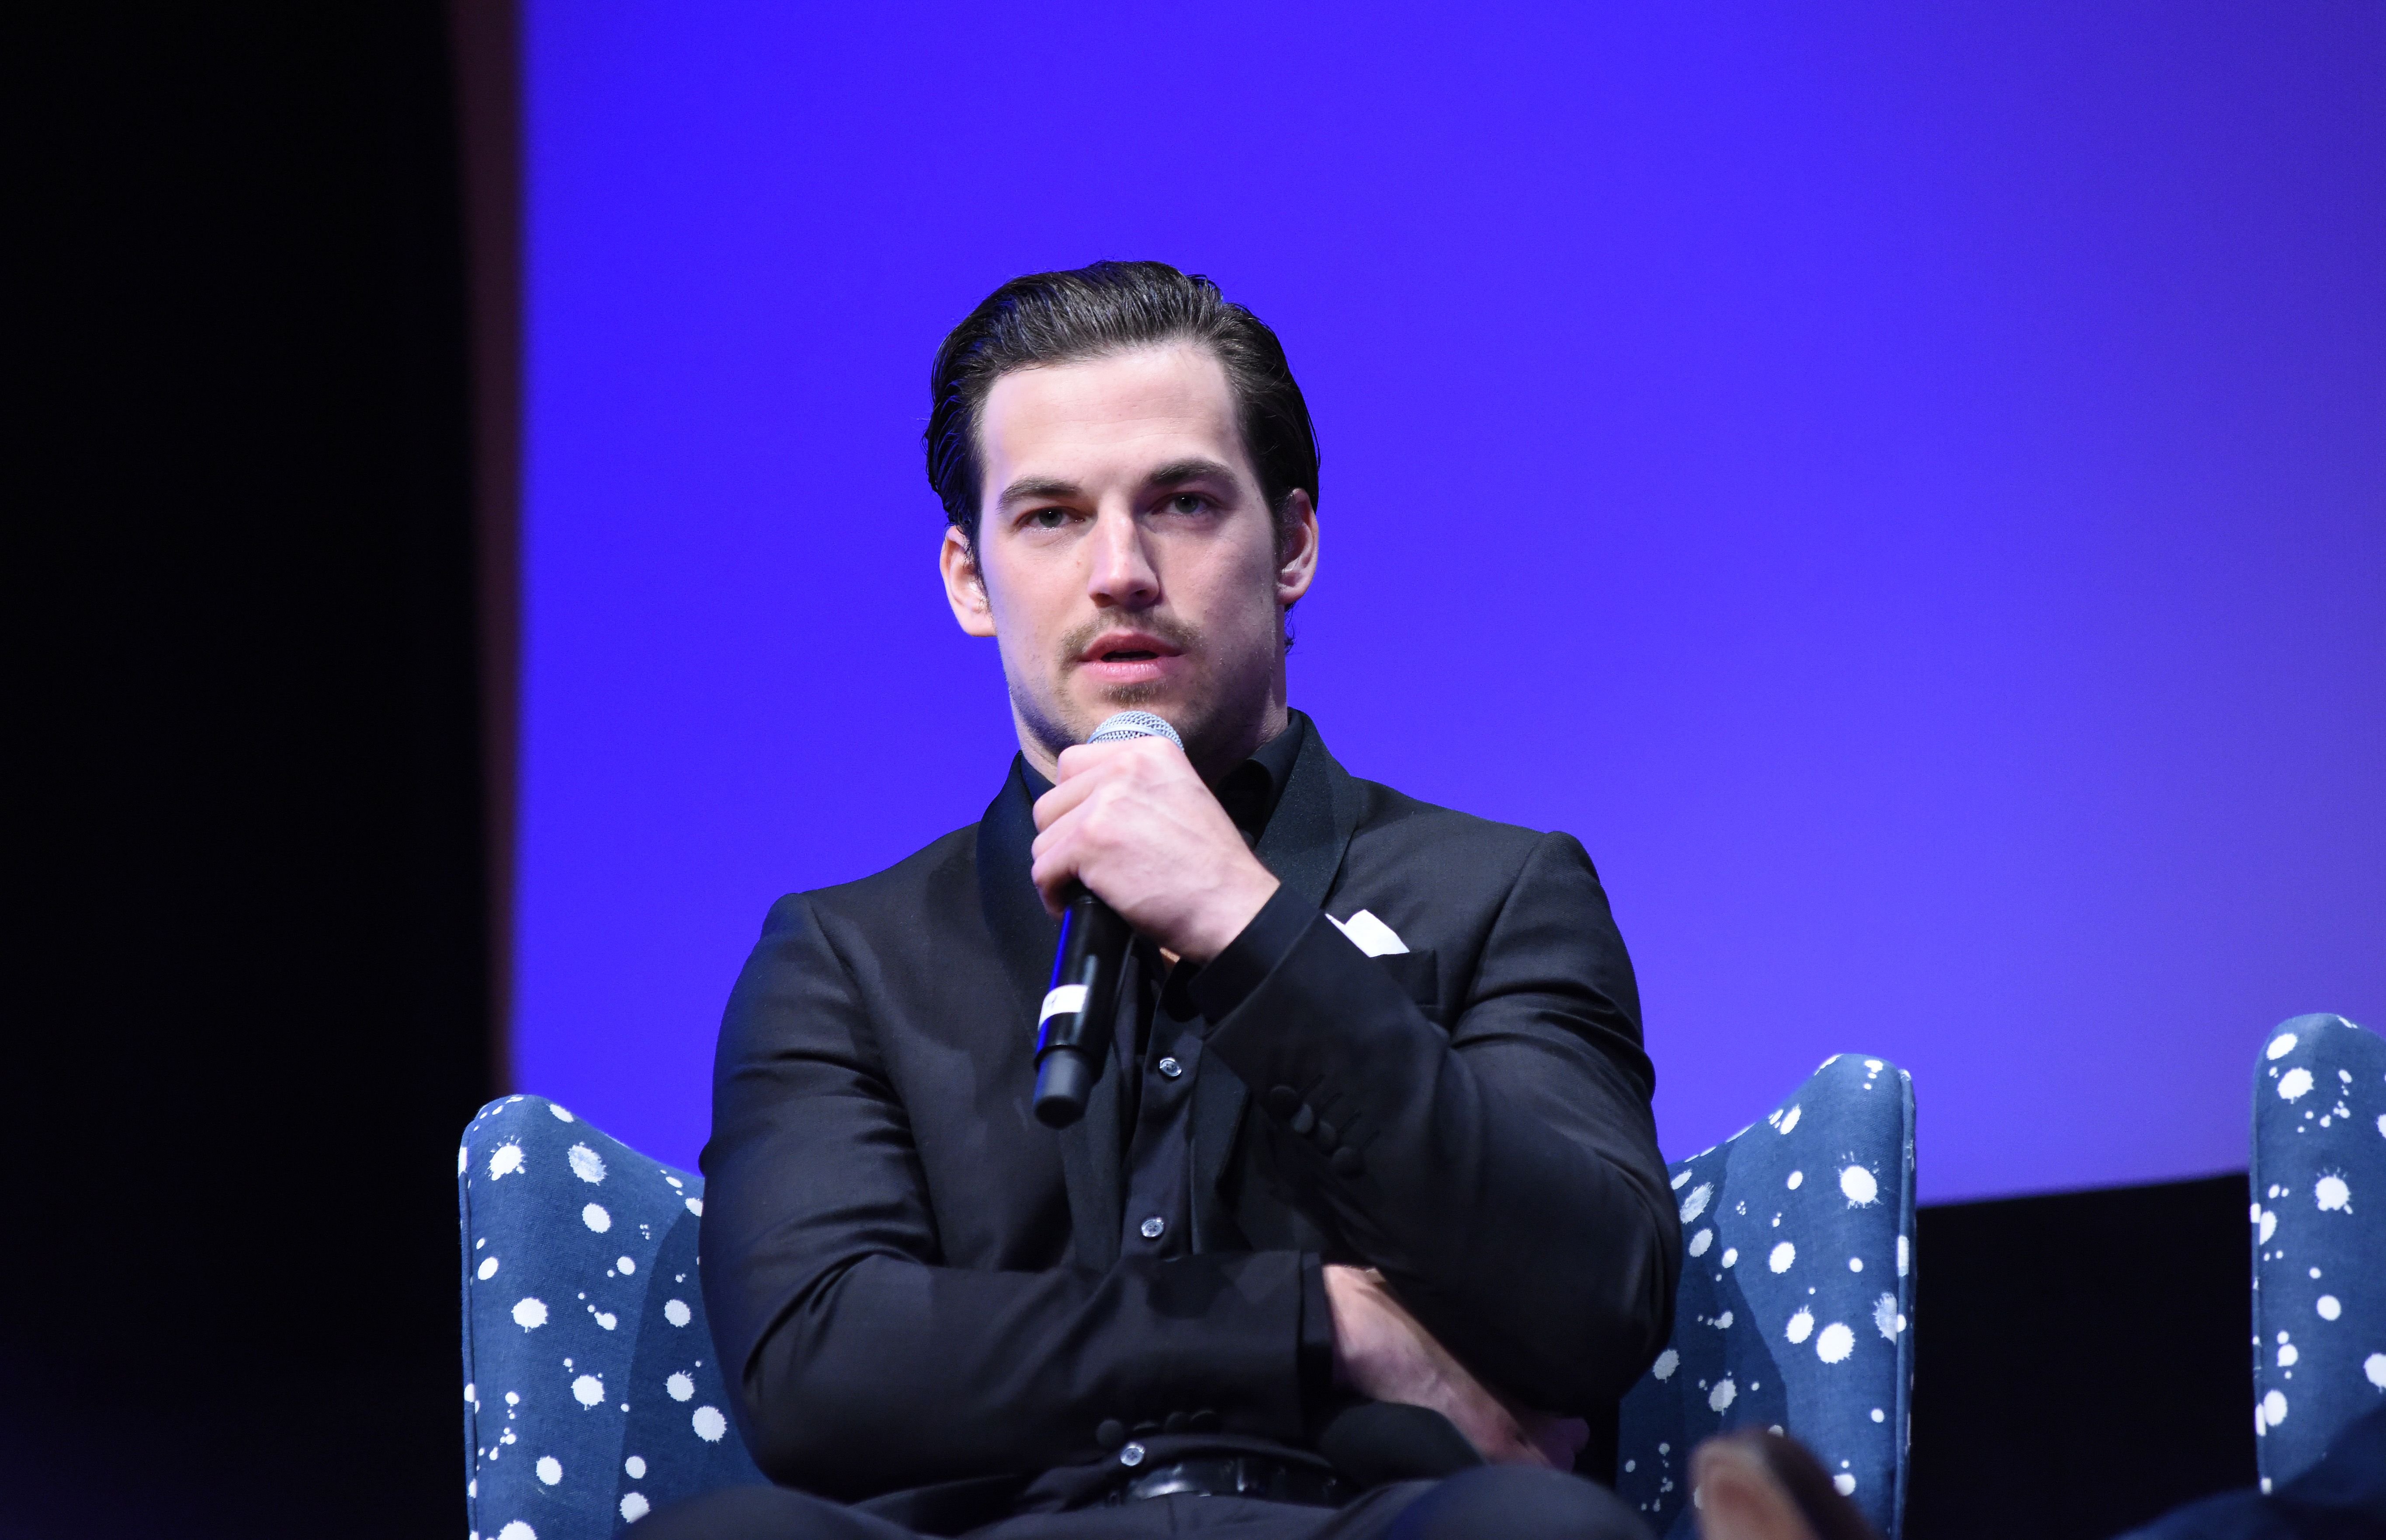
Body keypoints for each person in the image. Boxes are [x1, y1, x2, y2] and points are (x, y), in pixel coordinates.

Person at [645, 261, 1679, 1540]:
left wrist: (1251, 929)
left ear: (1292, 542)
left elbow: (1595, 1296)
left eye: (1182, 503)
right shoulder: (842, 956)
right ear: (970, 579)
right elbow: (817, 1371)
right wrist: (1317, 1325)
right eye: (1051, 517)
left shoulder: (1498, 889)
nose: (1120, 569)